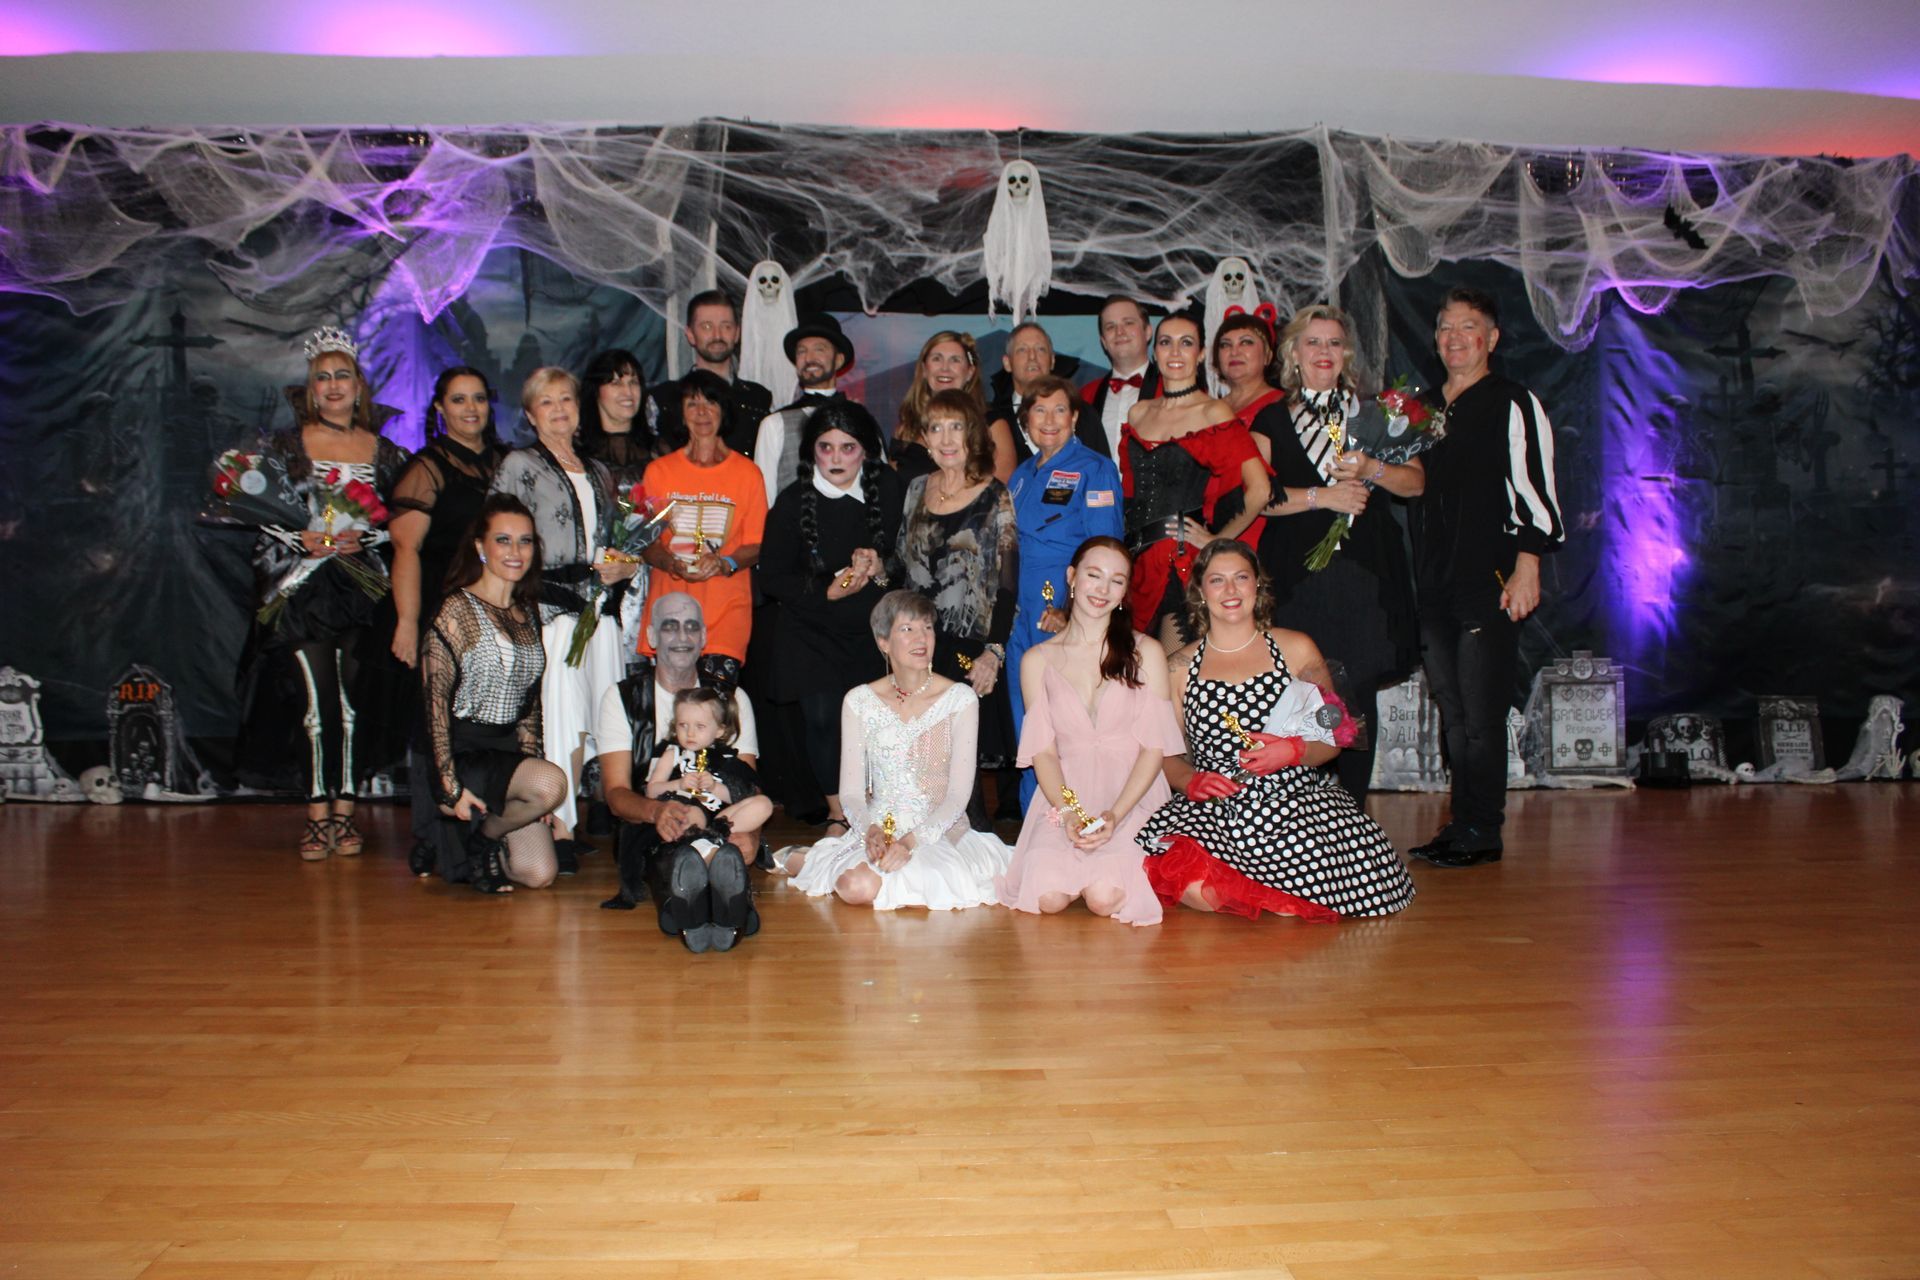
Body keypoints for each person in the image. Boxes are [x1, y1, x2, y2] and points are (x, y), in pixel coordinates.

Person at [1135, 539, 1415, 919]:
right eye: (1217, 580)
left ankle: (1267, 889)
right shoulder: (1178, 667)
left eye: (1241, 578)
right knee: (1194, 886)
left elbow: (1337, 735)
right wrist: (1190, 781)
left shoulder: (1297, 649)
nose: (1230, 590)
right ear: (1200, 592)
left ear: (1258, 586)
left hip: (1292, 803)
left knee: (1303, 891)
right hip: (1217, 809)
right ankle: (1260, 889)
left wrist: (1294, 751)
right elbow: (1164, 753)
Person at [231, 325, 409, 861]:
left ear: (359, 386)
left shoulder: (385, 452)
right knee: (317, 703)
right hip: (304, 586)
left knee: (352, 703)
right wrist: (297, 535)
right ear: (310, 388)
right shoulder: (284, 449)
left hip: (361, 587)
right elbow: (262, 515)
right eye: (322, 377)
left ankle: (346, 811)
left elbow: (401, 523)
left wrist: (369, 536)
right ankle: (315, 813)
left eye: (342, 376)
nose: (333, 386)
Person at [1408, 287, 1564, 867]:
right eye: (1445, 326)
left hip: (1490, 576)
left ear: (1491, 339)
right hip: (1435, 579)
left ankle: (1483, 828)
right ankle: (1460, 822)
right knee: (1451, 710)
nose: (1454, 338)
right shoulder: (1421, 408)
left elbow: (1538, 491)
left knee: (1481, 710)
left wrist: (1529, 564)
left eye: (1467, 327)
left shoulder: (1514, 401)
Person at [1247, 304, 1421, 802]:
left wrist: (1372, 469)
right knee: (1302, 693)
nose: (1324, 352)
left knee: (1357, 694)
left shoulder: (1376, 414)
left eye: (1333, 343)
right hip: (1298, 580)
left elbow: (1416, 484)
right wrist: (1323, 497)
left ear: (1345, 353)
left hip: (1365, 578)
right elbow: (1257, 497)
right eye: (1313, 342)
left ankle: (1354, 813)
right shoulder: (1271, 418)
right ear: (1293, 354)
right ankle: (1303, 811)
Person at [777, 591, 1014, 909]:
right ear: (883, 642)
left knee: (927, 884)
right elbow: (850, 794)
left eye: (928, 628)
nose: (922, 638)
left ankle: (813, 861)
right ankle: (801, 860)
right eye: (908, 629)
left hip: (938, 831)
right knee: (856, 886)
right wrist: (871, 831)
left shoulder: (960, 699)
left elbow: (958, 796)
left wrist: (910, 842)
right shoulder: (859, 701)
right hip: (880, 826)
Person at [489, 367, 635, 845]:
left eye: (566, 400)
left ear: (579, 408)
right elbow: (497, 537)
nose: (558, 410)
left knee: (605, 716)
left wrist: (623, 566)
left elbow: (616, 542)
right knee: (563, 717)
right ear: (531, 414)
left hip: (601, 615)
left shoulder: (599, 471)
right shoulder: (518, 464)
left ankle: (600, 811)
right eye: (546, 402)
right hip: (552, 612)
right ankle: (560, 826)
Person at [998, 538, 1178, 925]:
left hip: (1131, 791)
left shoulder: (1145, 651)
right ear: (1072, 577)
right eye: (1094, 575)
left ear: (1125, 591)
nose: (1102, 589)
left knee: (1104, 896)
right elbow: (1043, 753)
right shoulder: (1036, 660)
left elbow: (1153, 748)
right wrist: (1067, 814)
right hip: (1067, 793)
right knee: (1046, 897)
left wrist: (1114, 815)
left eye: (1116, 581)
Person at [758, 399, 905, 837]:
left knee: (876, 723)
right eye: (826, 448)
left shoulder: (890, 487)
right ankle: (838, 812)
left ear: (866, 450)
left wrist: (880, 568)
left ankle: (880, 811)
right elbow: (772, 577)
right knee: (823, 719)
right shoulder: (791, 500)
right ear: (811, 452)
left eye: (848, 447)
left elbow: (912, 560)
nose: (837, 459)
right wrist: (825, 588)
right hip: (811, 631)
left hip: (873, 633)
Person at [389, 365, 505, 876]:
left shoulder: (504, 463)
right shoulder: (428, 466)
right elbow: (406, 549)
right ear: (440, 409)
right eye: (459, 400)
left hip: (496, 611)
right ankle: (431, 838)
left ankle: (489, 832)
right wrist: (408, 622)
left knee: (485, 722)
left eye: (478, 399)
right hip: (441, 610)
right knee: (434, 725)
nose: (470, 409)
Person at [595, 594, 763, 948]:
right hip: (650, 825)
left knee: (730, 843)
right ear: (652, 636)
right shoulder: (621, 697)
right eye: (670, 626)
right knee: (673, 846)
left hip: (721, 816)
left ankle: (712, 903)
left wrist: (752, 834)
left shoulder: (732, 700)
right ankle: (701, 910)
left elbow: (748, 784)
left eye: (691, 627)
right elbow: (615, 793)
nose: (681, 637)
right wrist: (657, 811)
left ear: (704, 637)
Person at [420, 494, 567, 893]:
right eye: (503, 540)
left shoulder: (527, 612)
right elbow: (433, 707)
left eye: (525, 541)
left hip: (507, 758)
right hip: (463, 752)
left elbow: (529, 712)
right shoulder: (457, 609)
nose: (516, 551)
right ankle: (483, 838)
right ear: (480, 547)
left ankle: (484, 840)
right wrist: (448, 786)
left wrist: (534, 804)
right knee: (553, 784)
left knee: (538, 875)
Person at [897, 389, 1019, 820]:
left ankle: (973, 859)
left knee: (961, 766)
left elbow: (1007, 585)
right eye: (935, 428)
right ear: (925, 439)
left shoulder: (994, 495)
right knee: (920, 762)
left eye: (957, 427)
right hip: (916, 645)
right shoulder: (914, 490)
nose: (946, 438)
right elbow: (901, 570)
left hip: (970, 649)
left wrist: (994, 652)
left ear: (973, 437)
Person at [1004, 375, 1124, 805]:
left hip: (1062, 614)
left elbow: (1104, 552)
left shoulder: (1094, 469)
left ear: (1074, 417)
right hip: (1020, 616)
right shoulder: (1020, 475)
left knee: (1067, 726)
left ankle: (1077, 819)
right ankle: (1037, 827)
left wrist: (1073, 609)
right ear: (1025, 422)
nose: (1050, 420)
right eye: (1039, 411)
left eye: (1059, 410)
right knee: (1029, 729)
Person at [1120, 312, 1271, 645]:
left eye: (1185, 343)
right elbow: (1129, 496)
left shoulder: (1212, 412)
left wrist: (1217, 542)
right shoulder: (1138, 413)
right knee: (1140, 679)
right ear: (1154, 352)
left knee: (1176, 673)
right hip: (1134, 565)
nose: (1175, 352)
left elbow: (1260, 490)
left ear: (1201, 354)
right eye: (1165, 343)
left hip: (1180, 564)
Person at [637, 370, 767, 664]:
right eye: (692, 404)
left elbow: (757, 545)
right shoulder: (659, 472)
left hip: (726, 616)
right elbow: (646, 543)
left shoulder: (748, 474)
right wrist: (670, 563)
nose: (702, 412)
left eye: (711, 403)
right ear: (681, 415)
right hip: (669, 613)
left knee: (716, 707)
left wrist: (725, 563)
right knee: (671, 710)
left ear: (724, 411)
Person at [650, 290, 773, 456]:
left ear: (737, 333)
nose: (717, 335)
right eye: (707, 326)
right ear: (690, 334)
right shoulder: (664, 397)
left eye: (726, 326)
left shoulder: (759, 399)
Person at [753, 313, 855, 503]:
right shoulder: (774, 424)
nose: (809, 358)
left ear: (839, 360)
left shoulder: (861, 422)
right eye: (801, 351)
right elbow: (763, 498)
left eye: (819, 349)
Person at [892, 330, 984, 486]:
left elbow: (996, 490)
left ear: (970, 372)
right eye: (937, 359)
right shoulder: (906, 426)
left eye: (955, 360)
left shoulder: (990, 424)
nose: (945, 368)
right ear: (924, 370)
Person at [1078, 294, 1160, 466]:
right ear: (1104, 342)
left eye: (1128, 322)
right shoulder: (1085, 396)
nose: (1119, 332)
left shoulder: (1172, 390)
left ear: (1147, 331)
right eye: (1110, 327)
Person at [986, 321, 1056, 480]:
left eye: (1040, 349)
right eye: (1022, 350)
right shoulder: (991, 420)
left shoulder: (1080, 414)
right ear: (1007, 363)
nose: (1032, 357)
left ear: (1052, 360)